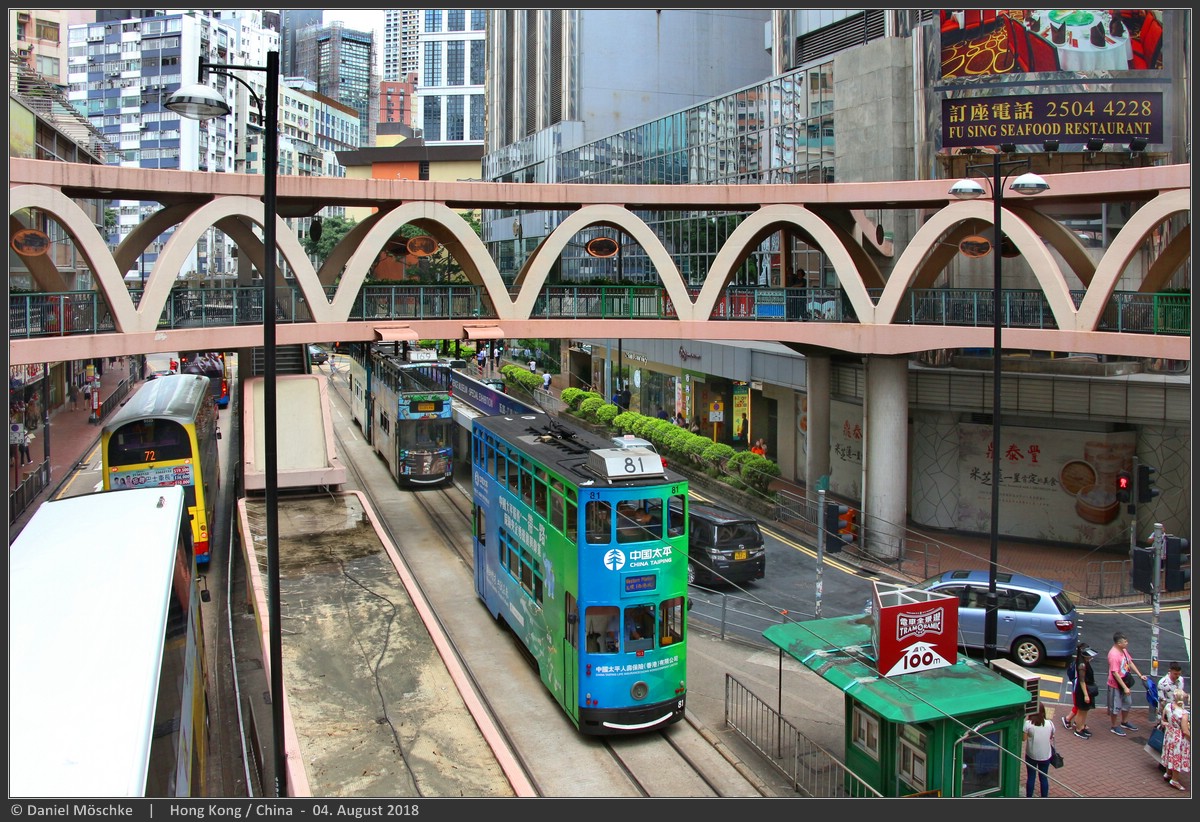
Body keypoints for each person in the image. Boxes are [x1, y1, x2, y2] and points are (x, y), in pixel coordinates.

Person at [1107, 630, 1148, 736]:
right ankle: (1114, 726)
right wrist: (1124, 687)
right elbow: (1115, 673)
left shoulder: (1123, 651)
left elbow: (1130, 662)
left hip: (1125, 682)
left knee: (1127, 703)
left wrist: (1140, 675)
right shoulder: (1114, 655)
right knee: (1115, 707)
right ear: (1119, 643)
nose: (1127, 643)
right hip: (1116, 685)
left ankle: (1124, 722)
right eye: (1125, 642)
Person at [1063, 643, 1097, 738]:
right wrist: (1086, 694)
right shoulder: (1081, 665)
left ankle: (1081, 726)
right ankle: (1078, 729)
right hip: (1082, 691)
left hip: (1085, 690)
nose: (1091, 657)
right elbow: (1082, 681)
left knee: (1085, 710)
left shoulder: (1084, 662)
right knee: (1081, 710)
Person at [1161, 689, 1190, 791]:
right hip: (1179, 738)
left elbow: (1163, 720)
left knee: (1170, 754)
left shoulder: (1168, 706)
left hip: (1169, 734)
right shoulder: (1183, 713)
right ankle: (1175, 780)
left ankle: (1168, 773)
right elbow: (1185, 731)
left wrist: (1167, 725)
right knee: (1177, 757)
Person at [1023, 704, 1055, 797]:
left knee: (1031, 777)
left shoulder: (1028, 724)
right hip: (1045, 756)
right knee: (1043, 778)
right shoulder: (1050, 724)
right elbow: (1051, 736)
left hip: (1031, 755)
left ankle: (1029, 796)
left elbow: (1023, 738)